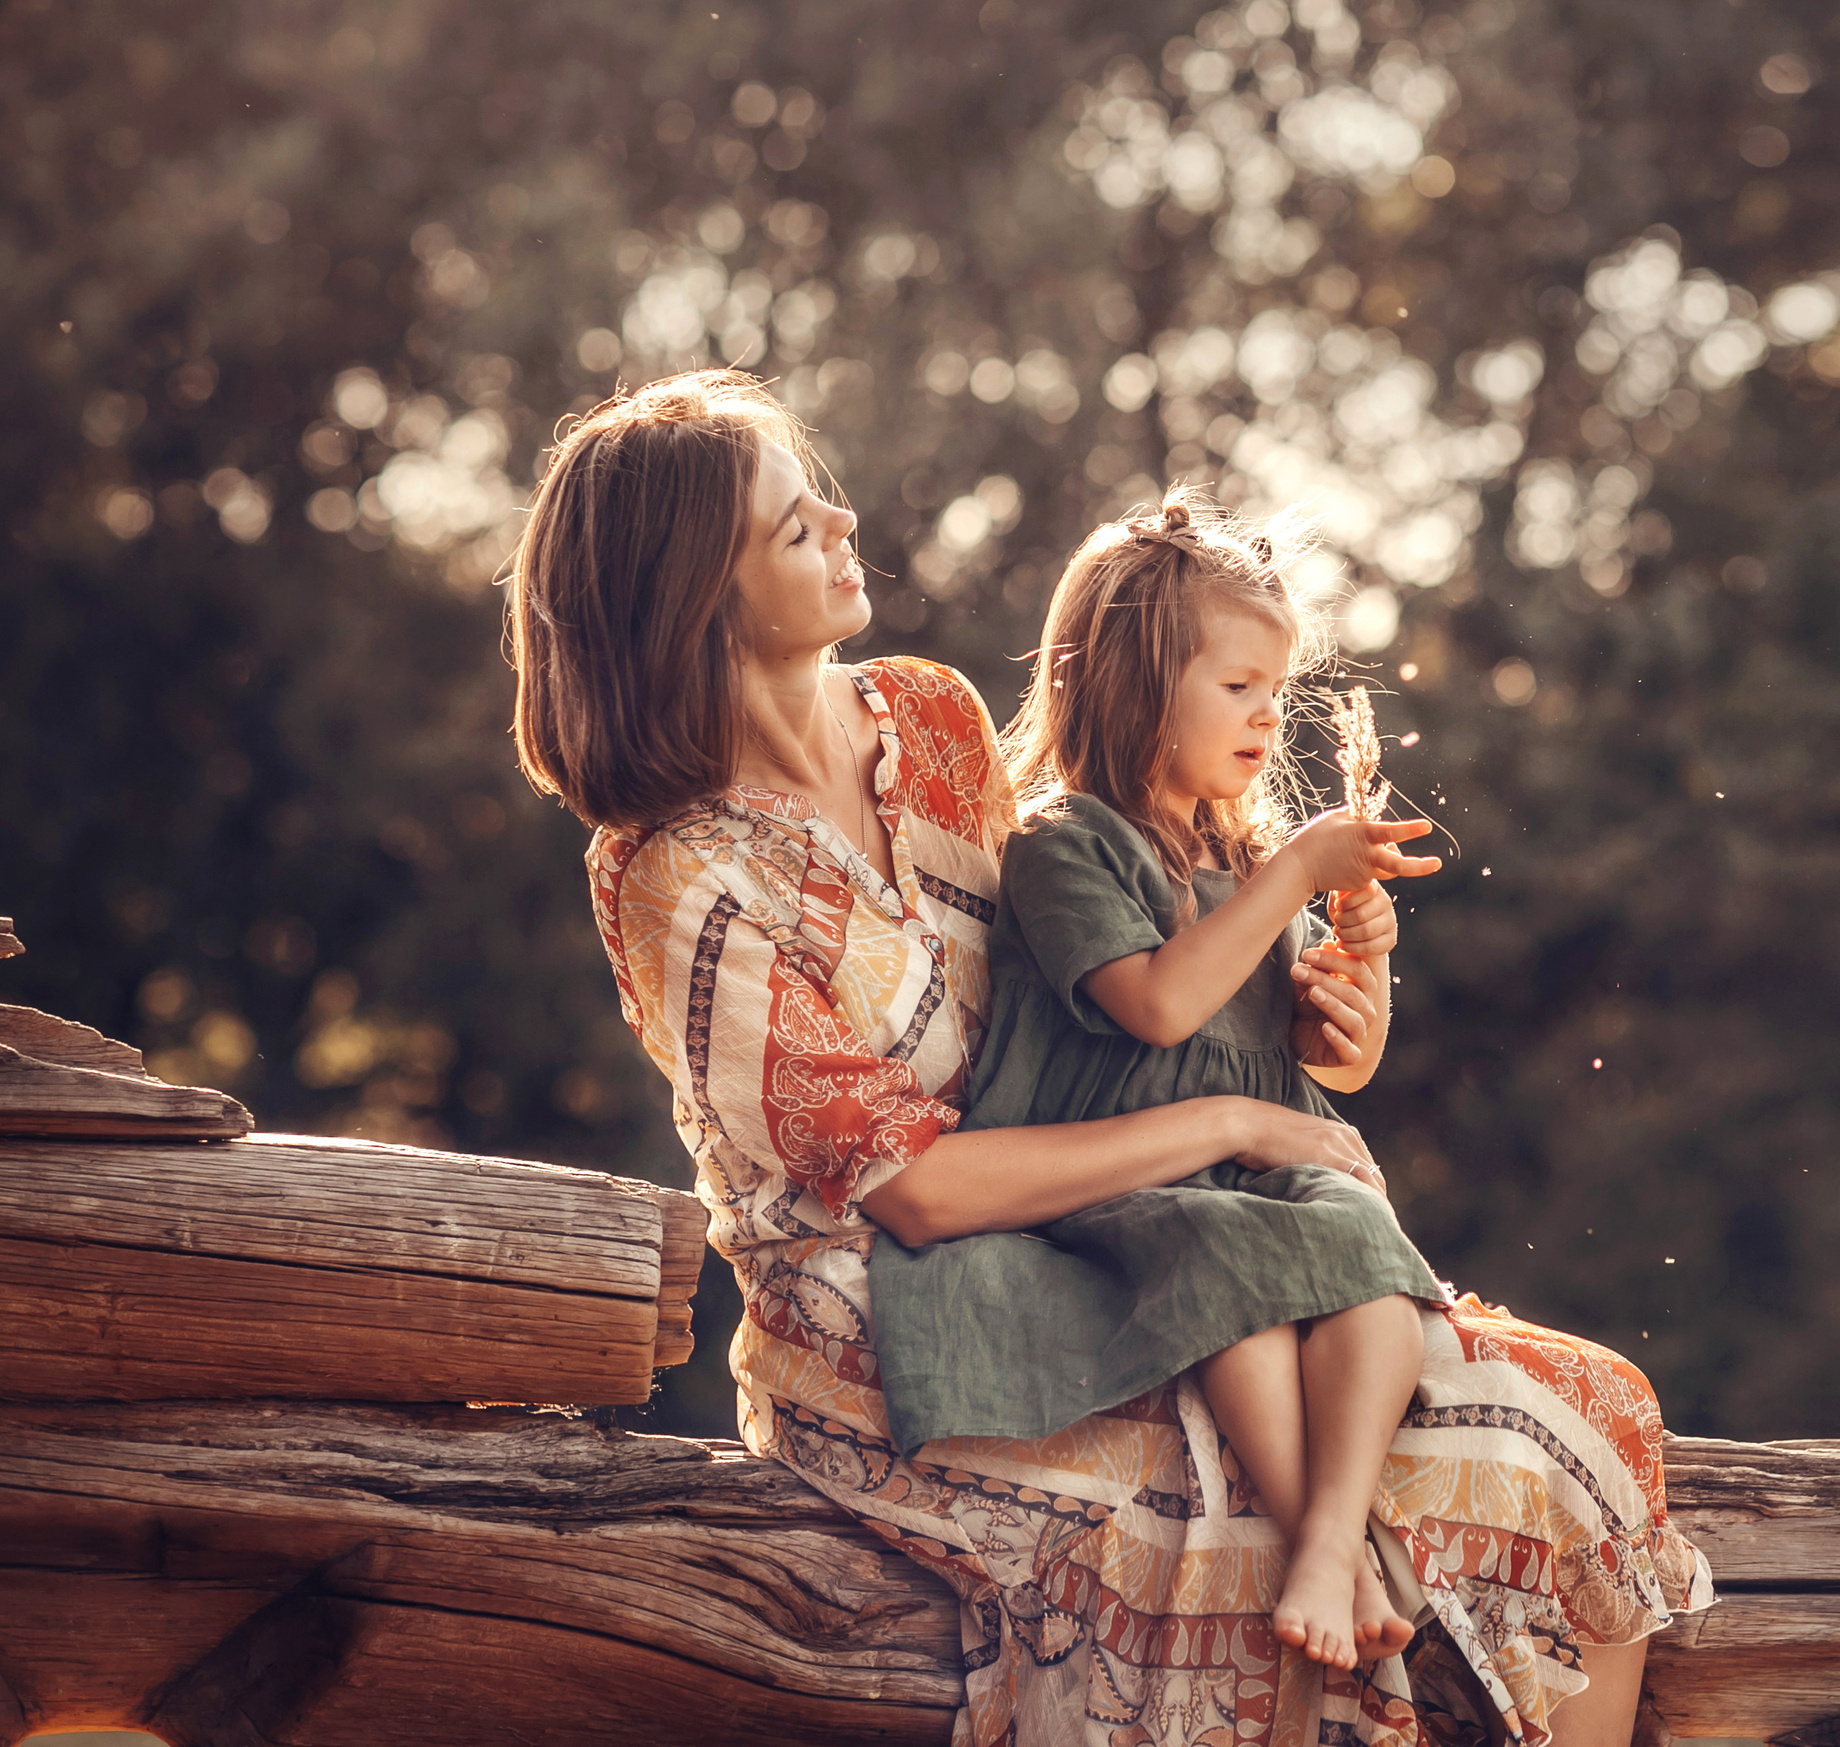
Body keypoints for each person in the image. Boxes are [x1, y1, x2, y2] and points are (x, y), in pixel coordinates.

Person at [508, 368, 1711, 1747]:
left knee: (1593, 1402)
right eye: (794, 527)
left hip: (1105, 1228)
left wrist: (1317, 1004)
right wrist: (1226, 1128)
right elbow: (912, 1192)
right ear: (696, 599)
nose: (845, 520)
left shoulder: (933, 718)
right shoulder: (681, 875)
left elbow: (1097, 963)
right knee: (1299, 1491)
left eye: (818, 495)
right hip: (888, 1322)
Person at [868, 489, 1449, 1671]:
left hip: (1252, 1170)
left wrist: (1361, 985)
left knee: (1367, 1250)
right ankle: (1317, 1530)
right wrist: (1295, 875)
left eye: (1272, 691)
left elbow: (1328, 1066)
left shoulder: (1241, 859)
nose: (1264, 715)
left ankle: (1333, 1537)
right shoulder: (1065, 843)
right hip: (1130, 1178)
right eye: (1236, 687)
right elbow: (1159, 1005)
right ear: (1136, 686)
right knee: (1229, 1270)